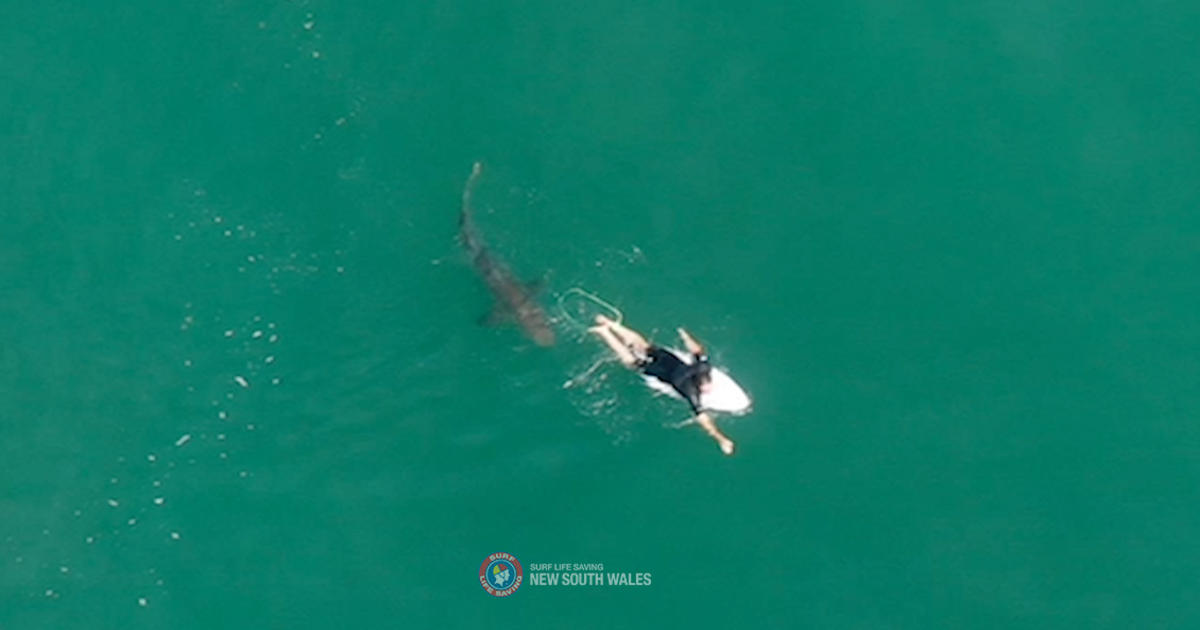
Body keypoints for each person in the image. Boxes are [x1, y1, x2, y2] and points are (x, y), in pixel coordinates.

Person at [588, 315, 736, 455]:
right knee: (631, 361)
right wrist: (720, 438)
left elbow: (697, 350)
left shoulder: (702, 368)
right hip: (659, 371)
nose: (708, 389)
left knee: (643, 346)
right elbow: (703, 419)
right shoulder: (691, 391)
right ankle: (604, 332)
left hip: (666, 358)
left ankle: (610, 324)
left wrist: (686, 336)